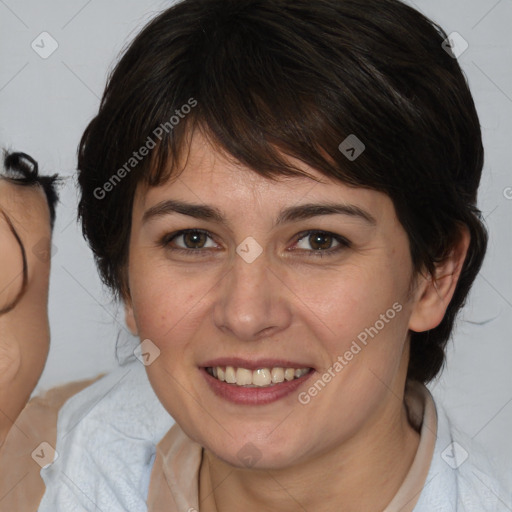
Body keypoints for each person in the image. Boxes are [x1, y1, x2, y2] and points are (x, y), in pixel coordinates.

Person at [3, 0, 512, 511]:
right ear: (125, 278)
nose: (246, 315)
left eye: (319, 241)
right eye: (193, 239)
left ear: (434, 275)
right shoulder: (40, 452)